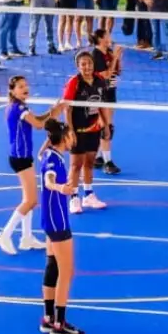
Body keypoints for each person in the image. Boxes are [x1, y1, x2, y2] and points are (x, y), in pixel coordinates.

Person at [0, 76, 63, 256]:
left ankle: (26, 238)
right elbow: (39, 125)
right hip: (20, 158)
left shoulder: (19, 107)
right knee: (30, 201)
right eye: (20, 86)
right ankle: (4, 235)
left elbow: (37, 118)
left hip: (23, 156)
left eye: (26, 85)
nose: (25, 88)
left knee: (29, 199)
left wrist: (51, 111)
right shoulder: (19, 108)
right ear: (12, 91)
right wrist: (55, 114)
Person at [37, 118, 83, 334]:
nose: (73, 137)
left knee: (52, 265)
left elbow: (40, 154)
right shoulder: (54, 162)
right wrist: (61, 188)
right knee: (67, 271)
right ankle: (59, 324)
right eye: (70, 134)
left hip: (48, 220)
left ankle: (48, 317)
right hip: (58, 221)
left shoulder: (48, 154)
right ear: (64, 138)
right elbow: (49, 181)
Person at [61, 51, 107, 213]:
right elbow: (67, 108)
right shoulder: (74, 82)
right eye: (83, 64)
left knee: (89, 162)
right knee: (75, 165)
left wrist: (105, 124)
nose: (87, 67)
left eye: (89, 63)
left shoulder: (100, 80)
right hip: (78, 128)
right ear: (78, 66)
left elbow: (101, 105)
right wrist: (70, 130)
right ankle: (74, 198)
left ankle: (88, 195)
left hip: (94, 128)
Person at [88, 29, 123, 175]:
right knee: (106, 127)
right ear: (101, 39)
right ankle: (107, 162)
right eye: (108, 35)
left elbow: (117, 71)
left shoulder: (108, 52)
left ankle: (98, 157)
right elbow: (106, 75)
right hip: (101, 94)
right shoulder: (96, 55)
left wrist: (118, 58)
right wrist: (115, 58)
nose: (110, 37)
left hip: (111, 91)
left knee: (106, 125)